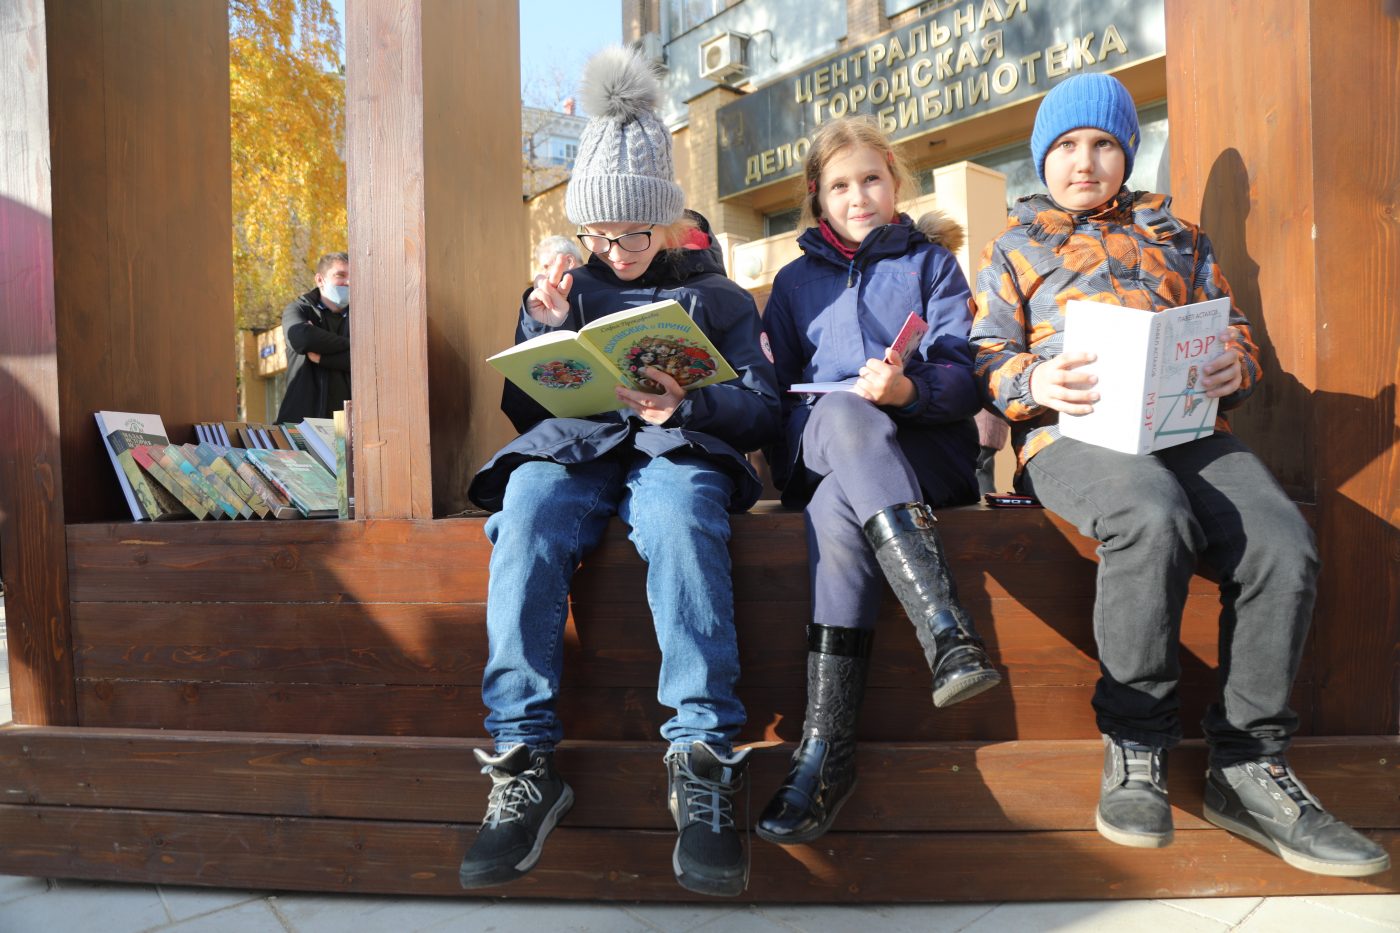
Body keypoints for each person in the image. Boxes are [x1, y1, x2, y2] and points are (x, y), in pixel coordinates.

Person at [971, 73, 1388, 877]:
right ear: (1042, 159)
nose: (1084, 161)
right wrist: (1031, 381)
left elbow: (1236, 335)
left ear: (1127, 153)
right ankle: (1135, 744)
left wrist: (1236, 363)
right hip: (1073, 438)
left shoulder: (1184, 238)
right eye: (1065, 146)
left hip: (1186, 429)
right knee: (1150, 514)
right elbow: (983, 356)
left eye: (1102, 144)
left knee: (1281, 541)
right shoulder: (1014, 246)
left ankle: (1248, 764)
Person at [460, 47, 780, 897]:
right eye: (601, 232)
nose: (619, 248)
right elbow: (526, 412)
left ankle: (703, 758)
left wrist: (690, 405)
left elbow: (762, 410)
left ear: (669, 220)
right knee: (524, 503)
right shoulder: (565, 289)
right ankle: (523, 760)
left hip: (676, 451)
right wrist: (538, 326)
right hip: (576, 453)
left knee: (679, 511)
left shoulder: (719, 298)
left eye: (637, 231)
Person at [755, 116, 1001, 847]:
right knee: (840, 415)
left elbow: (966, 378)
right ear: (816, 196)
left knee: (842, 500)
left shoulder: (933, 266)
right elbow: (774, 396)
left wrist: (907, 391)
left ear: (894, 182)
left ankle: (824, 753)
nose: (857, 196)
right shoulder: (793, 284)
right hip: (822, 447)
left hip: (925, 456)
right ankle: (948, 633)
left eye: (870, 179)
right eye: (839, 185)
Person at [275, 251, 351, 423]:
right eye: (341, 275)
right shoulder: (298, 309)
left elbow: (369, 361)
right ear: (320, 280)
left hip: (346, 425)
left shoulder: (361, 317)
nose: (348, 282)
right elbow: (302, 339)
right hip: (301, 423)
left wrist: (323, 358)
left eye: (352, 277)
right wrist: (353, 345)